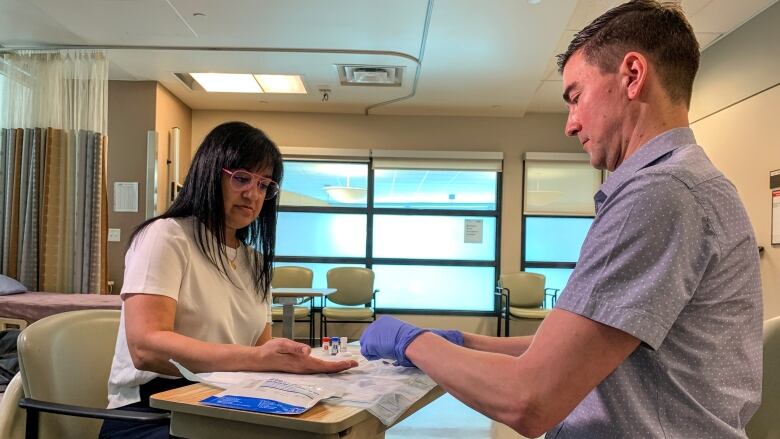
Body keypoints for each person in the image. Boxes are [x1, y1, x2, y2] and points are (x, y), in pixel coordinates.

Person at [359, 1, 763, 437]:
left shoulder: (659, 194)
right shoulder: (688, 184)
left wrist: (412, 343)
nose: (570, 125)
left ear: (632, 75)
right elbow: (567, 353)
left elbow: (529, 400)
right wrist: (460, 342)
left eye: (575, 97)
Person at [100, 122, 357, 439]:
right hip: (151, 413)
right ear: (210, 173)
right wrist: (258, 360)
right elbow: (146, 347)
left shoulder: (254, 262)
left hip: (222, 401)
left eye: (264, 185)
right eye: (241, 178)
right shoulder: (166, 236)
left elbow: (262, 350)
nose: (253, 194)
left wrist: (292, 366)